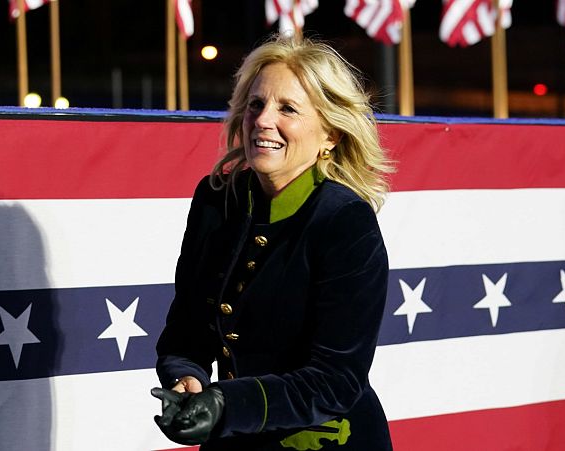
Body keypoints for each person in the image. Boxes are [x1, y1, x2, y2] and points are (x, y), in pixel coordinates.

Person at [151, 35, 394, 451]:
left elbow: (336, 381)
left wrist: (226, 405)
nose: (263, 120)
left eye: (288, 109)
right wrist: (187, 379)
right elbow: (186, 330)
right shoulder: (216, 200)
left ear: (330, 135)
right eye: (256, 104)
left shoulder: (344, 220)